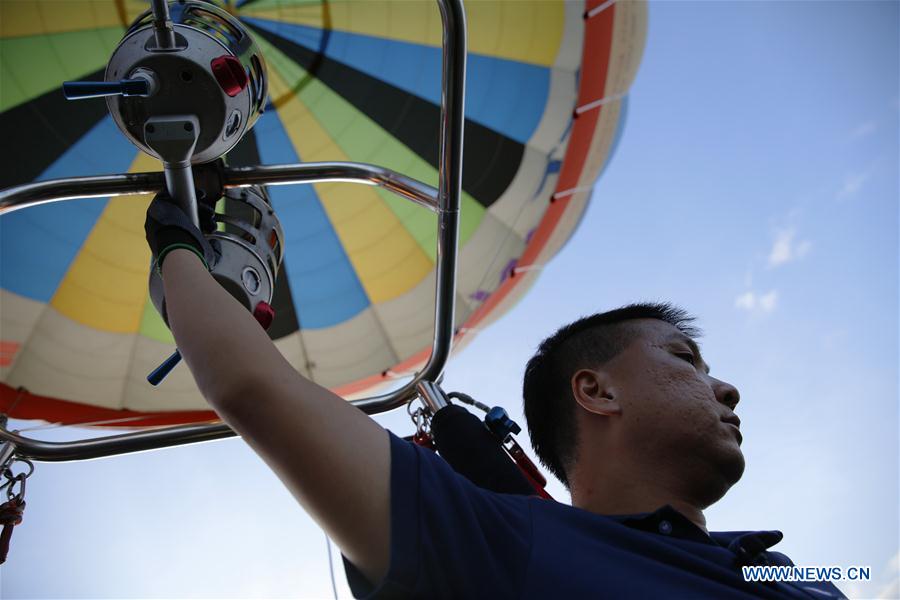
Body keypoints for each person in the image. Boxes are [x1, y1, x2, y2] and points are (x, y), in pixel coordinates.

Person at [145, 194, 848, 599]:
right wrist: (181, 250)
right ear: (596, 391)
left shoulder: (788, 565)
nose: (725, 386)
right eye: (686, 359)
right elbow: (252, 387)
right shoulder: (509, 545)